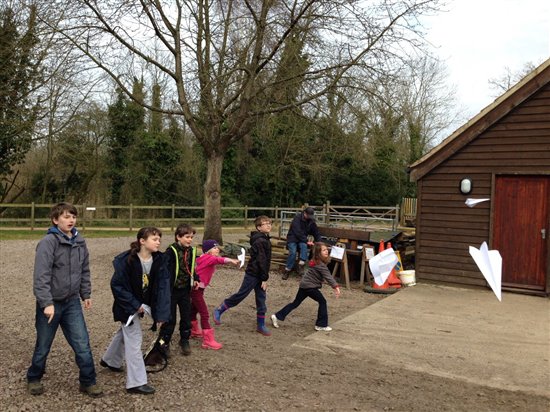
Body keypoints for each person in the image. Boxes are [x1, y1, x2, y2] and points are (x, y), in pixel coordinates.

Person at [26, 202, 103, 397]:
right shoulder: (48, 242)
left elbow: (84, 270)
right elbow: (41, 276)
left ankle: (88, 381)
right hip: (51, 304)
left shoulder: (80, 242)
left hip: (72, 303)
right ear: (55, 220)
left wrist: (86, 294)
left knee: (82, 344)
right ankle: (34, 377)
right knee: (43, 345)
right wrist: (46, 303)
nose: (71, 220)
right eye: (66, 216)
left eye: (73, 216)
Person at [101, 227, 170, 395]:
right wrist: (135, 305)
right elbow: (117, 286)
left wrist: (160, 314)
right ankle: (136, 382)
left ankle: (110, 360)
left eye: (159, 239)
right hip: (127, 306)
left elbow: (163, 288)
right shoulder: (126, 261)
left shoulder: (160, 261)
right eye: (154, 239)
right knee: (134, 339)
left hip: (143, 305)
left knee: (125, 332)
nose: (158, 242)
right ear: (142, 241)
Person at [212, 215, 273, 336]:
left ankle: (260, 325)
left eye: (269, 223)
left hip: (260, 274)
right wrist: (264, 278)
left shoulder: (265, 239)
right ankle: (219, 309)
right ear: (259, 227)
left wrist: (264, 276)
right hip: (253, 274)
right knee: (241, 295)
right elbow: (261, 260)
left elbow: (265, 261)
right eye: (265, 223)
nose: (269, 225)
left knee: (261, 299)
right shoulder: (260, 241)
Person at [271, 242, 341, 331]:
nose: (326, 251)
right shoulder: (320, 265)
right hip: (310, 287)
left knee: (295, 303)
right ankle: (321, 325)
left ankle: (276, 316)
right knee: (322, 301)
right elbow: (329, 277)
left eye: (327, 249)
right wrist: (336, 287)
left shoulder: (315, 261)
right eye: (323, 250)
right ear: (318, 253)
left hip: (304, 285)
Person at [159, 223, 200, 356]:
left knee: (186, 317)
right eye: (187, 237)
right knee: (170, 319)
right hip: (171, 291)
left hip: (185, 291)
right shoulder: (171, 251)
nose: (190, 240)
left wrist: (196, 279)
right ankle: (163, 342)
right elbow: (163, 269)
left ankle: (184, 339)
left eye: (191, 237)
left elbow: (193, 266)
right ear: (178, 237)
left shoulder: (192, 251)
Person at [191, 240, 239, 349]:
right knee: (204, 313)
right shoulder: (208, 258)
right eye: (214, 248)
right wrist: (231, 260)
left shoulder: (204, 258)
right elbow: (219, 260)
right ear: (208, 251)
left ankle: (192, 330)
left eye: (217, 247)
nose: (217, 249)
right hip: (196, 289)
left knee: (193, 309)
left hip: (198, 288)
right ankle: (207, 340)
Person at [283, 206, 321, 280]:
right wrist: (307, 241)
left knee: (304, 247)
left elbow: (316, 232)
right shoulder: (297, 218)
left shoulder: (311, 221)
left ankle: (301, 265)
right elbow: (297, 232)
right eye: (308, 215)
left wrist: (319, 242)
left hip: (302, 239)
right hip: (293, 238)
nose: (309, 217)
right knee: (293, 252)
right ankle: (287, 270)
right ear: (304, 213)